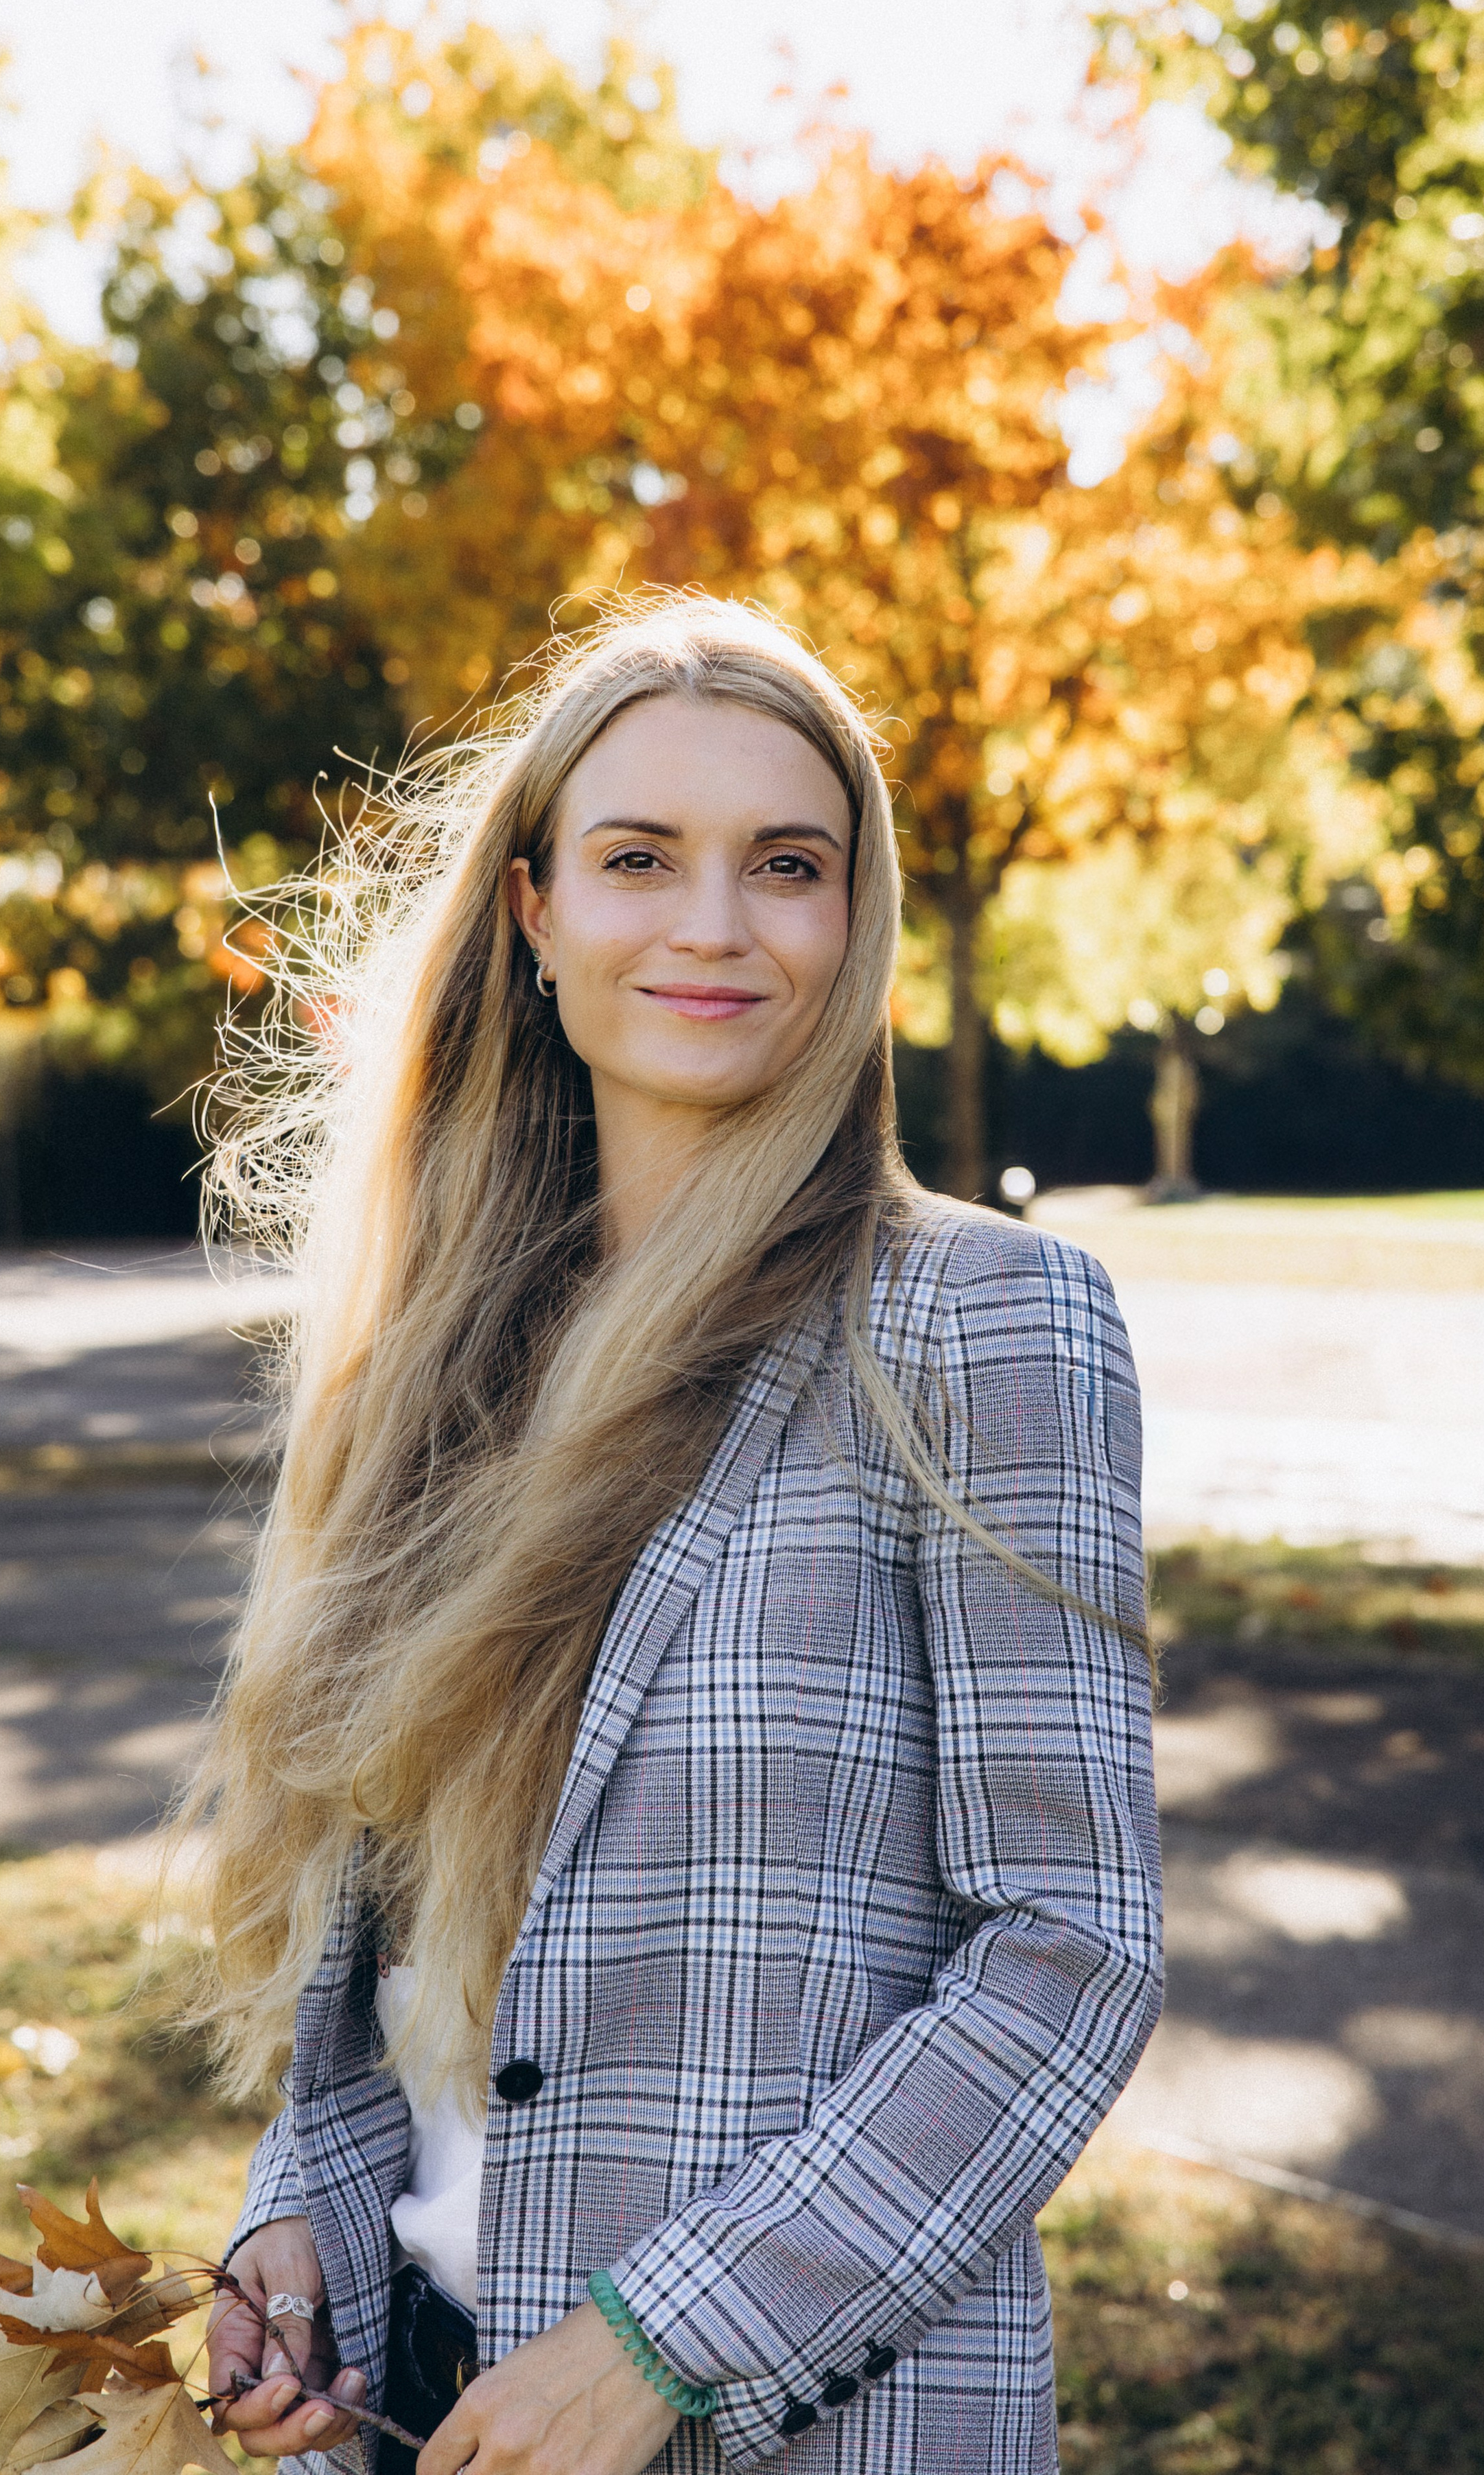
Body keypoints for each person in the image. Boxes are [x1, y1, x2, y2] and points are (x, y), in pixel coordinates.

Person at [193, 594, 1162, 2475]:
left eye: (785, 866)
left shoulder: (984, 1320)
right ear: (538, 910)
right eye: (642, 858)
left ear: (851, 924)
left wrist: (665, 2342)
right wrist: (294, 2213)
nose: (713, 925)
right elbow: (382, 1953)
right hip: (414, 2405)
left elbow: (1068, 1949)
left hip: (804, 2423)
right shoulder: (434, 1367)